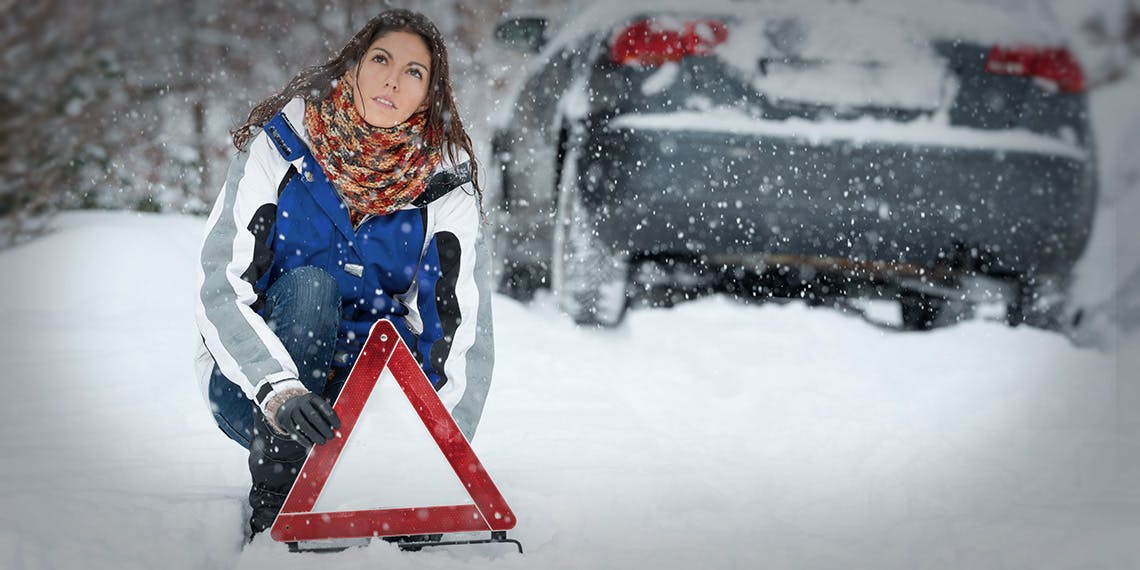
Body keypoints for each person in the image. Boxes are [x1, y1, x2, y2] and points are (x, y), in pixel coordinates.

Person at [193, 9, 495, 539]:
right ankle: (279, 495)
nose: (392, 79)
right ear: (352, 67)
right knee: (313, 287)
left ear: (429, 97)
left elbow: (459, 331)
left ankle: (377, 480)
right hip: (261, 388)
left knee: (395, 341)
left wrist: (433, 454)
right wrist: (279, 391)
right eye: (380, 59)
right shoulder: (280, 145)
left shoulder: (445, 185)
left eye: (414, 72)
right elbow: (220, 288)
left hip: (368, 400)